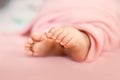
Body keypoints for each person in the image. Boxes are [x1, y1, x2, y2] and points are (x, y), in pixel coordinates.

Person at [24, 0, 120, 62]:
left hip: (95, 8)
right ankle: (55, 44)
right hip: (61, 8)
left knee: (98, 26)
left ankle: (83, 39)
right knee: (50, 25)